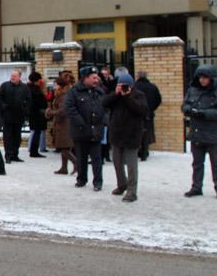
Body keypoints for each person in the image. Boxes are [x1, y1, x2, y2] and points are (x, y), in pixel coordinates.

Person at [182, 65, 217, 199]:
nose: (202, 80)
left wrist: (204, 113)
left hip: (213, 135)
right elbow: (185, 104)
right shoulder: (192, 90)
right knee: (197, 164)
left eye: (205, 77)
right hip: (197, 133)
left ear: (211, 78)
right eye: (200, 77)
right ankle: (196, 187)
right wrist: (188, 110)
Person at [102, 74, 148, 202]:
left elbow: (141, 110)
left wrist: (127, 97)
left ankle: (132, 191)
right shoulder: (116, 96)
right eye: (120, 85)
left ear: (132, 86)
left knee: (131, 165)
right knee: (117, 162)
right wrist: (115, 94)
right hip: (116, 134)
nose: (123, 88)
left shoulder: (139, 95)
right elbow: (104, 103)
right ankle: (122, 184)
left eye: (125, 85)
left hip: (132, 135)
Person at [64, 65, 108, 191]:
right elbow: (69, 108)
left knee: (97, 159)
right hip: (81, 131)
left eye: (97, 78)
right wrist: (80, 122)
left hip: (96, 130)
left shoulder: (99, 91)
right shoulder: (74, 92)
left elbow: (106, 107)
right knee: (81, 157)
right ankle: (81, 179)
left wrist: (104, 120)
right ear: (85, 78)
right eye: (93, 78)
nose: (96, 80)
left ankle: (98, 182)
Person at [46, 74, 76, 175]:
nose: (54, 86)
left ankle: (76, 163)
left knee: (64, 147)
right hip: (61, 123)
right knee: (64, 147)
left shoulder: (64, 96)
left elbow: (63, 110)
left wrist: (51, 112)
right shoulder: (60, 95)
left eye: (55, 84)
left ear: (60, 86)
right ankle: (64, 168)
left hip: (64, 124)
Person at [0, 70, 31, 164]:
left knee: (17, 137)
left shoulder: (24, 87)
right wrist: (4, 107)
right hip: (7, 115)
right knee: (7, 137)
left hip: (19, 115)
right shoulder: (5, 86)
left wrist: (25, 110)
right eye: (12, 75)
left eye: (14, 76)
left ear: (19, 77)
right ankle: (8, 155)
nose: (12, 77)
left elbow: (29, 100)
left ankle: (15, 155)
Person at [134, 70, 162, 160]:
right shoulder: (153, 87)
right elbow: (158, 100)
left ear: (138, 77)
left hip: (136, 114)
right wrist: (152, 108)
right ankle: (144, 153)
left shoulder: (134, 86)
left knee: (136, 133)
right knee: (146, 134)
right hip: (149, 114)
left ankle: (136, 151)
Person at [26, 72, 48, 159]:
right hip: (37, 113)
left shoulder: (29, 88)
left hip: (33, 113)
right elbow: (41, 102)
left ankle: (33, 150)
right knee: (37, 132)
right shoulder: (35, 90)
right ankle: (34, 151)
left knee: (36, 132)